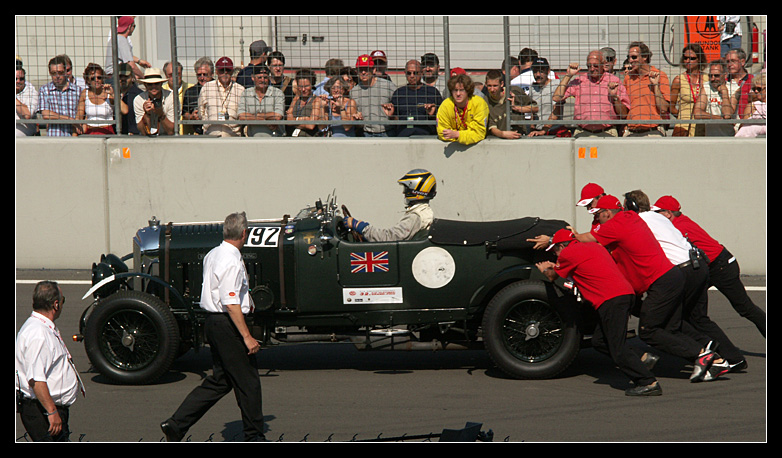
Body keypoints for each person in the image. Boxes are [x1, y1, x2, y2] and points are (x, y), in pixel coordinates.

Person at [572, 195, 721, 383]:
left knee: (649, 330)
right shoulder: (630, 217)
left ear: (607, 213)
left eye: (597, 214)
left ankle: (702, 354)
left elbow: (585, 238)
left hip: (662, 281)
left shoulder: (615, 225)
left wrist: (569, 235)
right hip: (669, 277)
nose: (596, 218)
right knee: (668, 326)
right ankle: (712, 356)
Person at [161, 212, 266, 442]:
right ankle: (254, 436)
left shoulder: (213, 254)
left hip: (213, 322)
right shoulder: (230, 260)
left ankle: (177, 424)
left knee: (221, 381)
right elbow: (230, 302)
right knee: (248, 382)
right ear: (244, 233)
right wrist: (247, 336)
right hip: (228, 324)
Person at [625, 190, 743, 379]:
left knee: (670, 323)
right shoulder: (660, 219)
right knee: (696, 318)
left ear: (631, 207)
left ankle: (706, 354)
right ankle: (731, 357)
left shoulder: (639, 221)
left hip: (681, 271)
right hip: (699, 267)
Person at [536, 230, 662, 396]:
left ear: (561, 246)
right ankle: (642, 358)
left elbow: (554, 276)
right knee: (600, 341)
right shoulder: (593, 247)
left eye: (555, 250)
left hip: (611, 301)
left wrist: (545, 269)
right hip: (625, 294)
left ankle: (648, 382)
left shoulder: (568, 253)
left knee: (617, 349)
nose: (556, 254)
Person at [651, 195, 766, 338]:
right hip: (709, 267)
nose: (654, 216)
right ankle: (706, 346)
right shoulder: (678, 223)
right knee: (691, 309)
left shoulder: (678, 227)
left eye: (657, 212)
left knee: (744, 308)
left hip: (721, 266)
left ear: (668, 214)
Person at [16, 281, 85, 441]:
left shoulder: (42, 327)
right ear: (56, 304)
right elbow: (37, 380)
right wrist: (52, 412)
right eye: (63, 300)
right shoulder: (38, 334)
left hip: (46, 408)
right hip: (43, 410)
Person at [552, 50, 630, 137]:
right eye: (589, 66)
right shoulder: (580, 81)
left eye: (596, 65)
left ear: (604, 64)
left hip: (607, 132)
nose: (592, 69)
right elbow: (556, 98)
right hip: (582, 132)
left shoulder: (614, 81)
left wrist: (615, 97)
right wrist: (568, 75)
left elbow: (624, 114)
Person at [343, 169, 436, 242]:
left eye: (407, 189)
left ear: (416, 190)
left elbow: (390, 238)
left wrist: (361, 227)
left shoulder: (415, 216)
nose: (404, 192)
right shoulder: (423, 212)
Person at [623, 41, 670, 136]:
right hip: (632, 130)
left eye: (634, 57)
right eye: (629, 57)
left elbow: (664, 108)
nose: (631, 60)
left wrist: (655, 86)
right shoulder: (628, 78)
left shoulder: (660, 75)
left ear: (645, 57)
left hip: (653, 130)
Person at [388, 59, 443, 136]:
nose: (412, 76)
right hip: (404, 136)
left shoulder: (432, 92)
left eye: (415, 73)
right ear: (405, 74)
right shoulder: (399, 93)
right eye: (409, 73)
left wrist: (432, 115)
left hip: (427, 136)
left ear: (421, 73)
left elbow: (441, 119)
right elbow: (395, 120)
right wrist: (391, 116)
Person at [351, 54, 397, 137]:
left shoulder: (388, 86)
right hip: (365, 134)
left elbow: (398, 109)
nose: (363, 72)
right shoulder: (354, 92)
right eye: (361, 70)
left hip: (387, 132)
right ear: (356, 71)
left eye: (366, 69)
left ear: (374, 70)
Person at [436, 73, 489, 145]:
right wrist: (466, 135)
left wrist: (457, 134)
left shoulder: (479, 103)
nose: (458, 94)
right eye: (455, 90)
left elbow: (479, 133)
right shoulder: (445, 105)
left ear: (468, 91)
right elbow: (442, 133)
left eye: (461, 90)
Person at [198, 57, 245, 137]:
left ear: (232, 71)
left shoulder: (240, 90)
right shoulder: (207, 88)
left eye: (228, 70)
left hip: (233, 136)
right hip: (211, 135)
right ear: (216, 71)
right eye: (221, 70)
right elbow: (201, 112)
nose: (225, 73)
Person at [38, 55, 83, 136]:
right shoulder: (45, 90)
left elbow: (82, 113)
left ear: (66, 71)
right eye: (54, 73)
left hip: (74, 136)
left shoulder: (78, 91)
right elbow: (46, 114)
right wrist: (70, 120)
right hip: (54, 137)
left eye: (60, 72)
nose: (57, 76)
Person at [484, 68, 535, 138]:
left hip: (521, 137)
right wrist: (503, 134)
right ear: (485, 84)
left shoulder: (515, 91)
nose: (492, 89)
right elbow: (491, 127)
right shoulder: (485, 101)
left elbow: (535, 107)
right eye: (489, 86)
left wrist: (517, 108)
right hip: (499, 140)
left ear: (501, 84)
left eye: (495, 86)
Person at [238, 64, 285, 137]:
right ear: (253, 78)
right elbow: (242, 116)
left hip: (275, 138)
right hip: (252, 138)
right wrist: (265, 120)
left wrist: (256, 116)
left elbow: (278, 116)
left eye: (265, 77)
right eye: (259, 77)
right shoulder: (246, 93)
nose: (262, 80)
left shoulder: (278, 93)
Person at [669, 44, 707, 137]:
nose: (687, 61)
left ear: (699, 59)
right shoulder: (678, 79)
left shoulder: (707, 78)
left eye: (692, 58)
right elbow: (671, 107)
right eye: (685, 58)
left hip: (702, 124)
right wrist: (682, 116)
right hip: (683, 126)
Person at [694, 60, 739, 137]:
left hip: (730, 136)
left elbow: (728, 115)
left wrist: (724, 93)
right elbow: (697, 113)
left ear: (725, 75)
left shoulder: (735, 88)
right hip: (710, 136)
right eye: (710, 75)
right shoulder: (706, 87)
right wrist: (719, 119)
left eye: (716, 75)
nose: (712, 79)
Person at [527, 57, 565, 137]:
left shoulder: (556, 85)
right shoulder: (532, 87)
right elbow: (533, 111)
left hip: (554, 130)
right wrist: (532, 126)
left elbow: (557, 111)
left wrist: (544, 130)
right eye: (535, 71)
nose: (537, 74)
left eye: (541, 71)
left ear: (548, 71)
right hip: (538, 131)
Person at [104, 16, 149, 80]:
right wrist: (143, 77)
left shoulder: (116, 38)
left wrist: (139, 61)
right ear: (129, 26)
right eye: (134, 26)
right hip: (115, 77)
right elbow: (131, 65)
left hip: (113, 76)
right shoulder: (122, 40)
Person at [134, 68, 175, 136]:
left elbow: (171, 131)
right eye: (150, 84)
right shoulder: (139, 100)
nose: (153, 87)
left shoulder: (172, 98)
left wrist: (161, 114)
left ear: (161, 83)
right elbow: (142, 131)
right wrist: (146, 114)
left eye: (156, 83)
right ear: (145, 84)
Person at [76, 63, 115, 135]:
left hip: (107, 131)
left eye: (99, 77)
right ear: (88, 80)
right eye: (93, 78)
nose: (96, 80)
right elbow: (79, 116)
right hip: (90, 131)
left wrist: (113, 95)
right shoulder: (85, 93)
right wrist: (77, 128)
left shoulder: (109, 92)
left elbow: (125, 110)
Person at [286, 68, 323, 137]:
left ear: (312, 85)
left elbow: (311, 125)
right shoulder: (296, 98)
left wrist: (294, 120)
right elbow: (288, 120)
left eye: (306, 86)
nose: (303, 89)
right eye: (300, 86)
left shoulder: (316, 100)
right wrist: (304, 119)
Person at [182, 57, 214, 135]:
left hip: (215, 131)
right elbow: (184, 113)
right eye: (199, 75)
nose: (202, 78)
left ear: (212, 74)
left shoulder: (219, 89)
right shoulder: (190, 92)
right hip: (198, 133)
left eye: (205, 74)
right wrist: (192, 116)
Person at [163, 61, 193, 135]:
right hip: (167, 135)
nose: (174, 77)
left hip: (188, 135)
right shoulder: (161, 91)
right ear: (166, 76)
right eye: (170, 75)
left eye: (177, 74)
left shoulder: (191, 89)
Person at [724, 49, 754, 120]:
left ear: (742, 62)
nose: (730, 65)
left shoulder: (753, 81)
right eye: (728, 62)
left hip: (746, 123)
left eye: (733, 61)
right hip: (727, 124)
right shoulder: (723, 82)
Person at [735, 73, 766, 137]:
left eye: (759, 89)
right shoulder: (751, 106)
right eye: (754, 89)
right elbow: (743, 126)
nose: (756, 91)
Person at [117, 63, 142, 135]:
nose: (123, 79)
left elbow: (127, 111)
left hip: (134, 134)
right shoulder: (114, 92)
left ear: (132, 77)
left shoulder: (139, 94)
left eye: (126, 76)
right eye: (120, 76)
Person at [16, 66, 39, 137]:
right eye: (15, 79)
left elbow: (27, 115)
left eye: (21, 79)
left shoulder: (31, 92)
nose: (18, 81)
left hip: (23, 135)